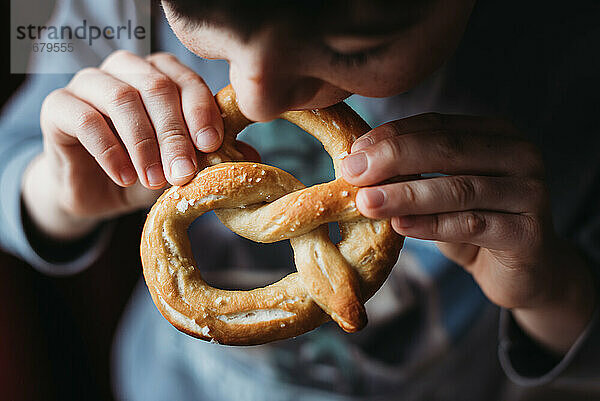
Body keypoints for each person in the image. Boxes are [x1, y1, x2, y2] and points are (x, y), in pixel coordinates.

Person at [1, 0, 599, 399]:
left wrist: (552, 293)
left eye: (354, 50)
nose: (256, 96)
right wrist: (55, 192)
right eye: (193, 14)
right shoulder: (109, 9)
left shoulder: (576, 57)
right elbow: (10, 149)